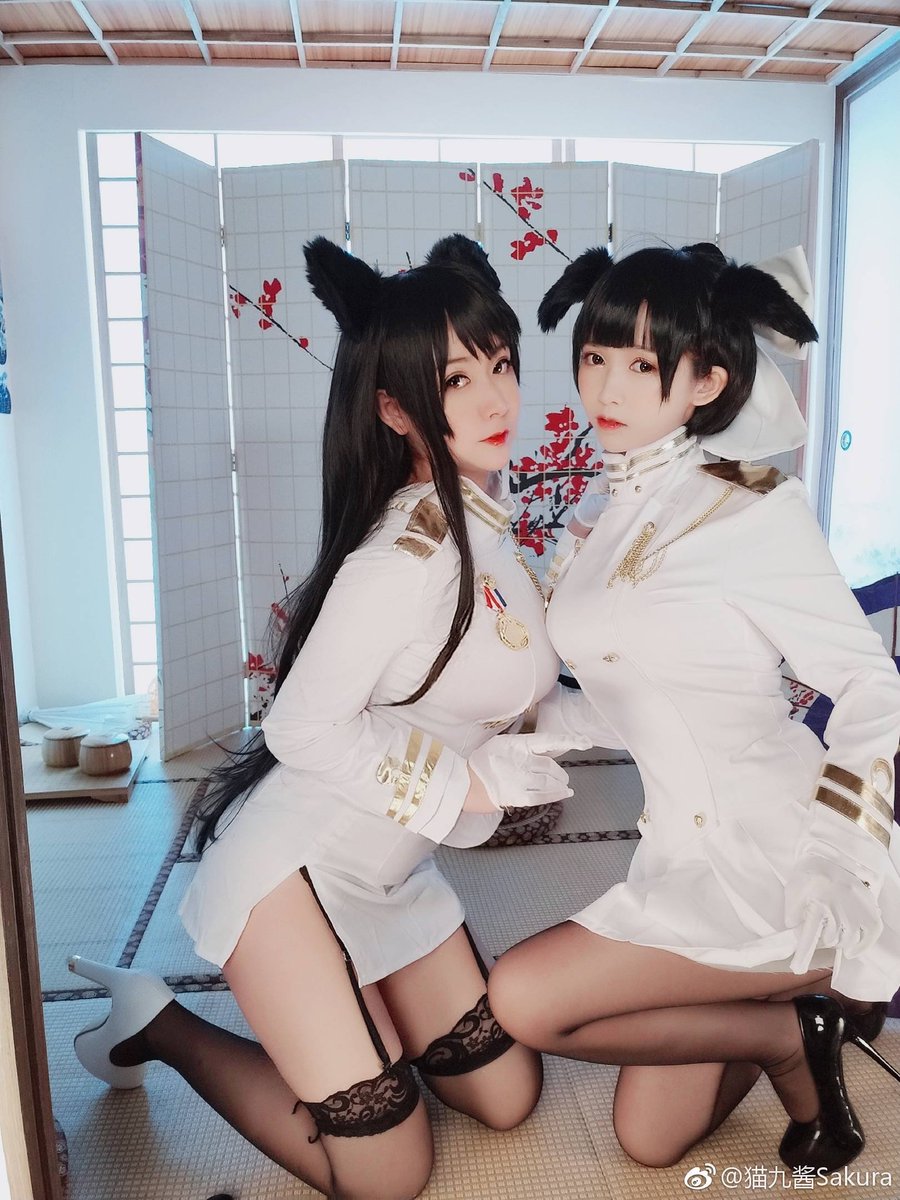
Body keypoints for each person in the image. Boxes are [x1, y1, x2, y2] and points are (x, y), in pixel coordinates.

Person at [68, 234, 574, 1200]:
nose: (496, 400)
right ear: (394, 409)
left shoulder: (491, 529)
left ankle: (360, 1022)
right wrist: (470, 783)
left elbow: (520, 676)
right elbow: (299, 731)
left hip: (389, 872)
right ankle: (156, 1020)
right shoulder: (397, 561)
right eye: (456, 379)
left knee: (508, 1095)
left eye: (501, 365)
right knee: (388, 1175)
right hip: (292, 880)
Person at [487, 241, 900, 1173]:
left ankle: (803, 1009)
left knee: (524, 997)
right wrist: (525, 737)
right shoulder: (601, 516)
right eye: (595, 356)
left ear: (705, 381)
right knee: (651, 1139)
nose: (608, 386)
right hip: (679, 852)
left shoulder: (752, 508)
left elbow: (871, 683)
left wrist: (841, 852)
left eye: (643, 365)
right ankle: (790, 1032)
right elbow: (638, 701)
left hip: (783, 852)